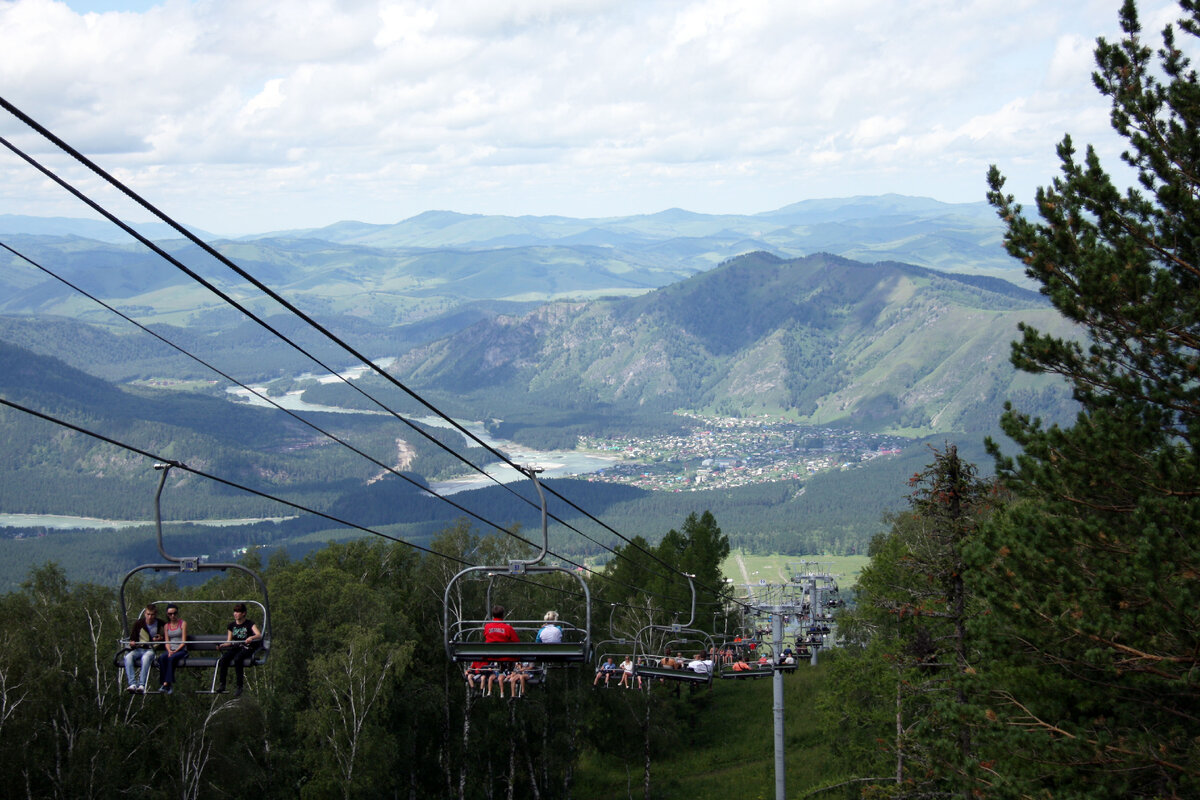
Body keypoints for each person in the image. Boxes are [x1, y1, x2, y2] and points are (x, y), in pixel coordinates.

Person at [216, 602, 262, 697]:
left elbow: (259, 634)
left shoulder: (250, 624)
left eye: (238, 612)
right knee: (224, 659)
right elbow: (229, 641)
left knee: (238, 659)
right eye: (235, 612)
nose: (235, 614)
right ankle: (222, 684)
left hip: (247, 647)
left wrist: (251, 638)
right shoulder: (231, 626)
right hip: (236, 647)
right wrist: (222, 645)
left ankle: (239, 686)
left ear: (243, 613)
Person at [124, 604, 165, 692]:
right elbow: (133, 638)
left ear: (155, 614)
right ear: (145, 614)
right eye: (148, 614)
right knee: (128, 657)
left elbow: (167, 636)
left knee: (146, 658)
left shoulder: (161, 624)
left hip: (151, 649)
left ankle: (141, 684)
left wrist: (161, 638)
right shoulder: (139, 624)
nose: (150, 617)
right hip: (140, 648)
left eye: (152, 615)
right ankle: (132, 684)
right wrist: (132, 643)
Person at [155, 603, 188, 694]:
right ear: (167, 614)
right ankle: (164, 682)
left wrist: (175, 651)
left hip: (181, 650)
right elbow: (167, 641)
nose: (173, 616)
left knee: (171, 658)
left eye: (174, 613)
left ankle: (167, 684)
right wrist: (169, 650)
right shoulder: (166, 626)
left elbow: (183, 641)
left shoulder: (182, 623)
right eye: (170, 614)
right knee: (162, 658)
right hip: (171, 650)